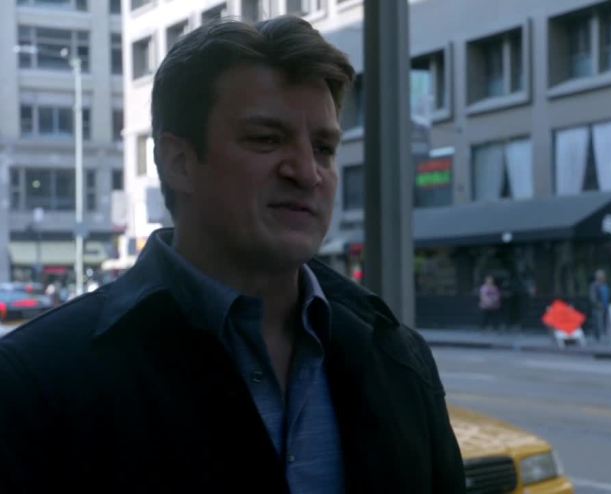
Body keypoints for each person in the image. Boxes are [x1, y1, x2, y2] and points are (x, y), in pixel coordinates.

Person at [0, 17, 464, 493]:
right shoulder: (36, 381)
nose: (307, 172)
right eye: (267, 139)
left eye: (324, 147)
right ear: (178, 162)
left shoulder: (396, 354)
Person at [589, 269, 611, 342]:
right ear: (597, 277)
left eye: (603, 276)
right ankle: (599, 336)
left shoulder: (605, 285)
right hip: (598, 307)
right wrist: (597, 304)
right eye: (601, 276)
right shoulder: (594, 285)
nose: (603, 277)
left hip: (606, 306)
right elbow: (593, 297)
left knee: (605, 321)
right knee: (598, 322)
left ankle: (605, 334)